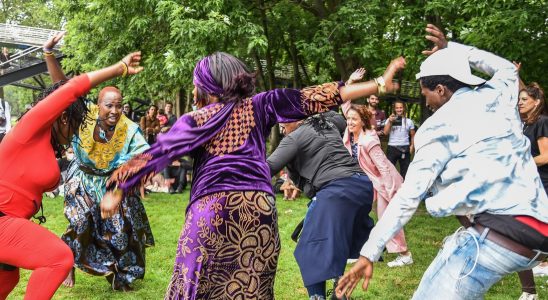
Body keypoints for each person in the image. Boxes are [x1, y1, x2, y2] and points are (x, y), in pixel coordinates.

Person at [101, 51, 405, 299]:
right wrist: (378, 83)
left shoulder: (195, 119)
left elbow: (161, 151)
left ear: (205, 86)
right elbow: (314, 96)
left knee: (193, 286)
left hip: (213, 208)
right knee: (250, 290)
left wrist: (118, 188)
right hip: (259, 209)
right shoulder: (261, 104)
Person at [336, 24, 548, 300]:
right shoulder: (498, 94)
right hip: (540, 235)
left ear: (441, 89)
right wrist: (453, 49)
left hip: (495, 240)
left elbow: (408, 197)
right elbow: (507, 67)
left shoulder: (435, 130)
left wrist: (369, 251)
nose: (427, 101)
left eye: (427, 94)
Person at [0, 32, 144, 299]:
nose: (76, 133)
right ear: (64, 119)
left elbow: (65, 95)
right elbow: (68, 91)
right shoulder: (28, 130)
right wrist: (119, 68)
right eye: (76, 126)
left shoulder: (44, 141)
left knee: (8, 278)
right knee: (58, 258)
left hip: (10, 222)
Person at [267, 111, 375, 300]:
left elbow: (266, 169)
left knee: (310, 248)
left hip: (337, 191)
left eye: (284, 120)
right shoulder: (327, 124)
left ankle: (317, 297)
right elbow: (339, 118)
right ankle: (339, 292)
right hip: (361, 186)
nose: (282, 127)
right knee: (335, 242)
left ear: (298, 118)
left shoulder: (293, 138)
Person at [341, 100, 412, 267]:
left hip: (384, 182)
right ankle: (357, 250)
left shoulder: (369, 140)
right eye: (348, 119)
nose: (350, 122)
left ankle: (405, 254)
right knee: (354, 211)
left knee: (387, 218)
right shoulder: (351, 133)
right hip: (367, 181)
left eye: (354, 119)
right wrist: (350, 82)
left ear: (363, 121)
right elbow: (346, 106)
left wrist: (391, 191)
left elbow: (384, 168)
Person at [517, 82, 548, 300]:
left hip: (543, 182)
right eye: (519, 99)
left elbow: (546, 156)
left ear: (536, 102)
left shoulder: (542, 122)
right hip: (528, 182)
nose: (519, 102)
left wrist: (521, 163)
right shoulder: (525, 124)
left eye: (524, 99)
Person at [383, 99, 415, 178]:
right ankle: (390, 188)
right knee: (389, 171)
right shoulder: (389, 119)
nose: (399, 109)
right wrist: (390, 121)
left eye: (400, 107)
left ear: (404, 108)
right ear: (394, 109)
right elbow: (385, 132)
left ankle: (403, 188)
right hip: (392, 148)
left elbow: (413, 135)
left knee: (405, 172)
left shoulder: (409, 121)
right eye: (397, 108)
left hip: (405, 147)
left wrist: (412, 146)